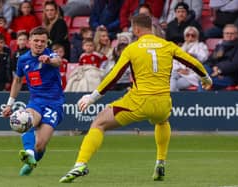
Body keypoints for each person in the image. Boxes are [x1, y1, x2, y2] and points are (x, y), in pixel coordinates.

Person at [59, 15, 212, 183]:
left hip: (138, 102)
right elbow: (193, 63)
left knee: (99, 123)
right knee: (162, 121)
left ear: (136, 29)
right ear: (152, 28)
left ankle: (80, 164)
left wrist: (92, 97)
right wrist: (206, 78)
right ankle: (160, 162)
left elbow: (114, 76)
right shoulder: (168, 46)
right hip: (162, 102)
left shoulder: (132, 49)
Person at [2, 26, 64, 176]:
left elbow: (58, 61)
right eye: (36, 40)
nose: (39, 44)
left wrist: (49, 60)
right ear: (29, 41)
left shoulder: (50, 55)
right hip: (36, 102)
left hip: (54, 104)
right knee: (25, 119)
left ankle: (32, 160)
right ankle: (28, 153)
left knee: (40, 145)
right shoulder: (23, 60)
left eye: (42, 41)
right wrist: (9, 104)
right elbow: (17, 81)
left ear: (46, 43)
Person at [202, 24, 238, 90]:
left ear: (237, 35)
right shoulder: (220, 47)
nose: (229, 35)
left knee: (204, 82)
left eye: (232, 33)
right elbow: (210, 61)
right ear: (223, 34)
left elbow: (235, 64)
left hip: (228, 76)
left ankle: (201, 99)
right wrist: (214, 68)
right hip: (214, 73)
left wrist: (219, 69)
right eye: (227, 33)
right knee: (205, 68)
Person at [170, 26, 209, 91]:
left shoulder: (201, 46)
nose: (190, 37)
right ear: (185, 37)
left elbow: (204, 57)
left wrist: (194, 55)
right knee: (172, 76)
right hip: (179, 72)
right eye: (188, 35)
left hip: (191, 74)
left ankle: (173, 98)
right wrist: (179, 69)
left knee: (174, 85)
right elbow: (173, 61)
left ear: (197, 37)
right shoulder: (181, 48)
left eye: (193, 35)